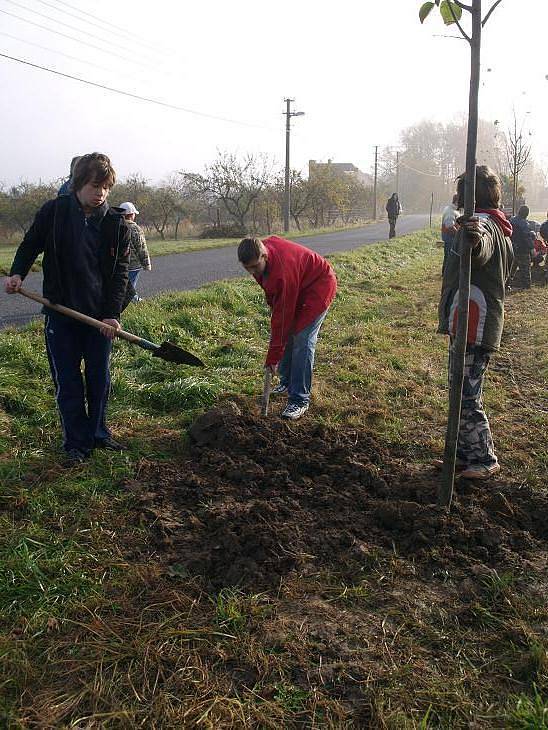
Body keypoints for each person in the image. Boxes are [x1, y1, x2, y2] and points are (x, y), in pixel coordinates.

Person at [4, 153, 132, 465]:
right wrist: (17, 272)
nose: (100, 193)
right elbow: (30, 244)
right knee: (68, 380)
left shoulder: (117, 224)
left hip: (99, 318)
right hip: (60, 314)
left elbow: (120, 276)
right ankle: (76, 443)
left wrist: (112, 314)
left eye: (105, 187)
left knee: (99, 378)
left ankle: (99, 433)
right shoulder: (54, 212)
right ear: (78, 184)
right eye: (94, 185)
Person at [438, 166, 514, 480]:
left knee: (467, 391)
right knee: (461, 386)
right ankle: (463, 455)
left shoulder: (482, 224)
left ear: (468, 196)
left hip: (475, 320)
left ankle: (484, 457)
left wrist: (471, 237)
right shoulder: (496, 223)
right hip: (471, 318)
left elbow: (479, 251)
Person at [237, 235, 337, 420]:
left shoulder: (282, 272)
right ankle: (287, 381)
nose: (252, 272)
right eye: (247, 268)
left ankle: (299, 400)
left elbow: (282, 318)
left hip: (319, 286)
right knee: (288, 333)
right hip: (299, 285)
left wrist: (273, 357)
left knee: (302, 338)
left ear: (264, 256)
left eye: (254, 267)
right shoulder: (258, 254)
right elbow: (276, 300)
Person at [117, 201, 151, 301]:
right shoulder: (135, 228)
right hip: (133, 265)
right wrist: (146, 264)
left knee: (123, 284)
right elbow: (141, 247)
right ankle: (134, 301)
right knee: (131, 286)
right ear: (131, 215)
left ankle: (130, 299)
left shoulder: (116, 226)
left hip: (119, 263)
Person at [509, 205, 535, 289]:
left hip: (512, 248)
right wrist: (532, 247)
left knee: (510, 269)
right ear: (526, 214)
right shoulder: (524, 223)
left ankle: (506, 284)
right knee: (525, 269)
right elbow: (527, 237)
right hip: (523, 250)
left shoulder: (511, 220)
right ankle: (526, 285)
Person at [441, 194, 459, 273]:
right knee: (449, 256)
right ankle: (447, 273)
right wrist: (458, 235)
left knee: (448, 255)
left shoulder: (453, 210)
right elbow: (450, 226)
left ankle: (446, 272)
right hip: (450, 237)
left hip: (450, 236)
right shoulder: (450, 211)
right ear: (456, 201)